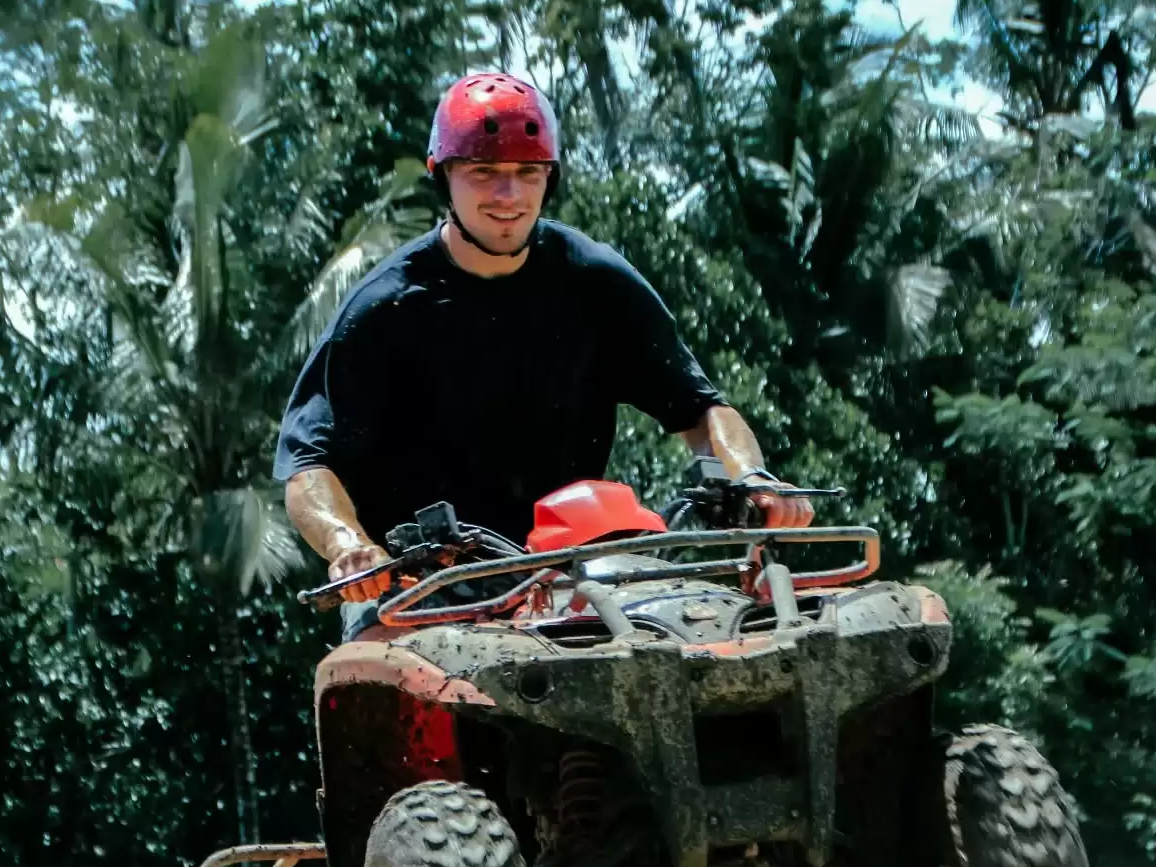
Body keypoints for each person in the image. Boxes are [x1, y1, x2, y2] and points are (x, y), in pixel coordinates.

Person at [276, 71, 812, 636]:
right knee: (380, 688)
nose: (508, 195)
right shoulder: (383, 308)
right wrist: (349, 546)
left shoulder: (595, 279)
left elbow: (703, 410)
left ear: (548, 180)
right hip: (419, 588)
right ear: (444, 179)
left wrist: (754, 477)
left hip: (574, 571)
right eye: (484, 172)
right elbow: (309, 465)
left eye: (527, 173)